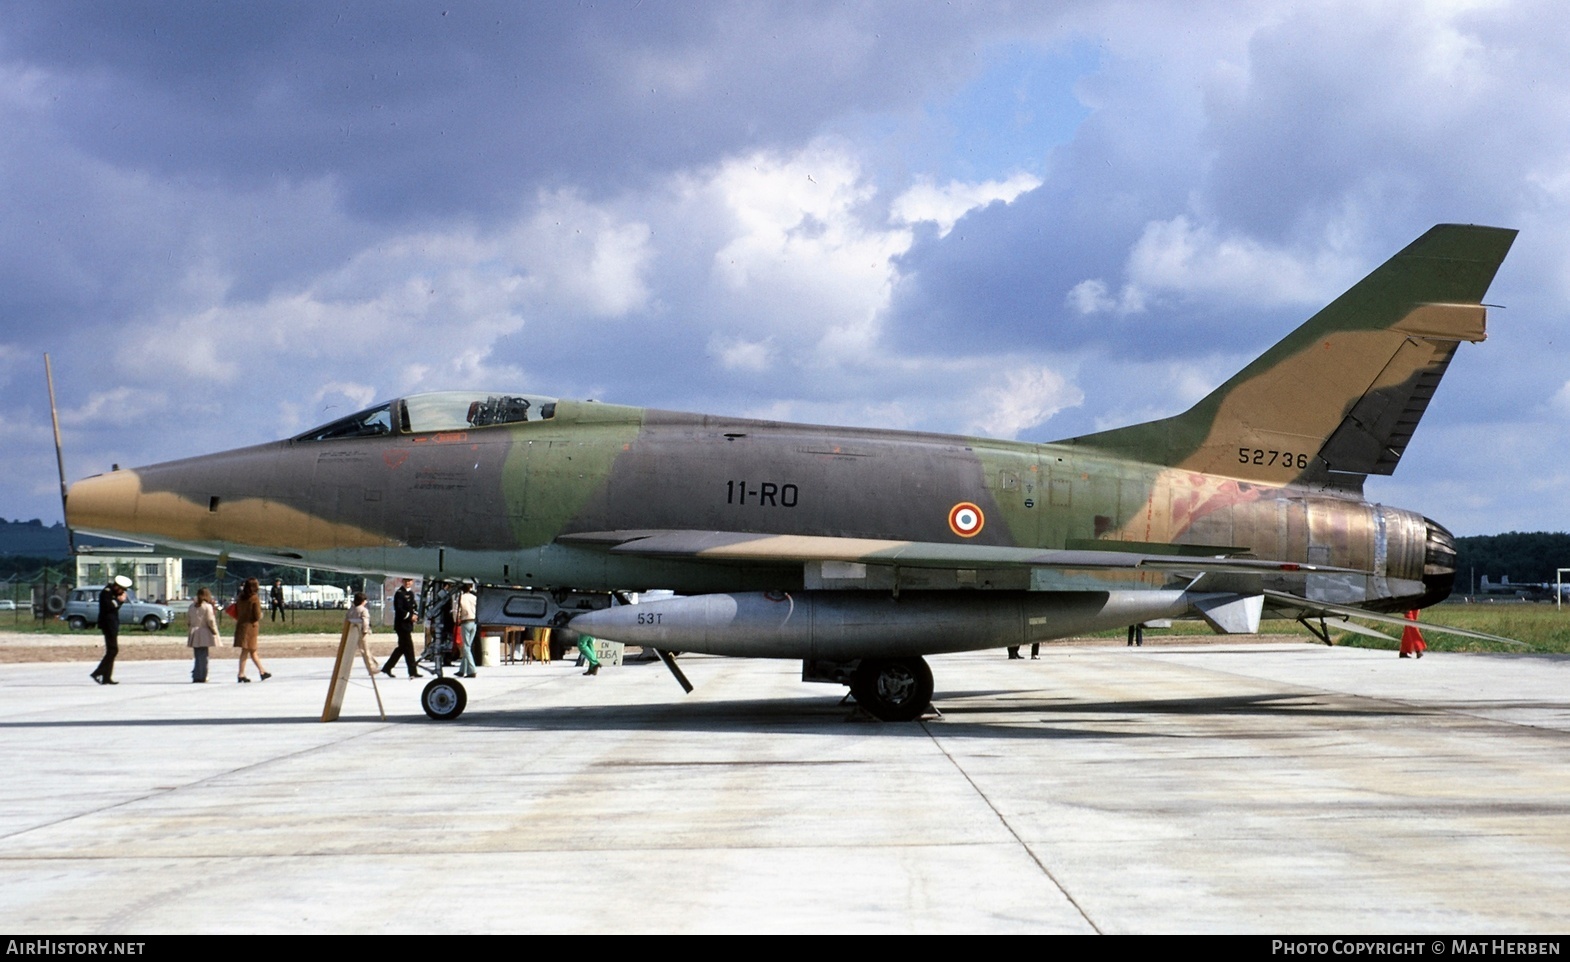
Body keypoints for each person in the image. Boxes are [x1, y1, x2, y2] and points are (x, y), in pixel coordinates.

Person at [90, 575, 131, 685]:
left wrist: (119, 600)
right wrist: (120, 601)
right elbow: (110, 607)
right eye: (121, 589)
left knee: (111, 650)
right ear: (117, 587)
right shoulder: (106, 593)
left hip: (112, 624)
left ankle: (106, 677)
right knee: (113, 650)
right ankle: (98, 672)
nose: (122, 592)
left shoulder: (112, 593)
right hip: (107, 624)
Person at [382, 578, 422, 678]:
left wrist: (415, 615)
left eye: (410, 581)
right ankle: (412, 671)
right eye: (406, 581)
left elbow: (414, 606)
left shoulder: (411, 593)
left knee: (402, 649)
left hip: (408, 625)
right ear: (402, 582)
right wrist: (410, 616)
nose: (408, 583)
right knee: (408, 648)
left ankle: (387, 667)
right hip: (401, 625)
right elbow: (399, 609)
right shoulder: (399, 594)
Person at [233, 577, 269, 682]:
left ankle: (262, 671)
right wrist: (260, 615)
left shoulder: (240, 598)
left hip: (241, 625)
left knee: (252, 651)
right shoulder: (254, 598)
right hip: (251, 627)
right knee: (247, 650)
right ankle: (241, 674)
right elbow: (257, 615)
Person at [187, 587, 219, 683]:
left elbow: (188, 620)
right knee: (204, 656)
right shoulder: (207, 606)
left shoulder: (192, 606)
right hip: (204, 631)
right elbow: (210, 620)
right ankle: (203, 675)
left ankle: (196, 675)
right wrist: (214, 631)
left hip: (194, 631)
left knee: (197, 655)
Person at [346, 591, 378, 676]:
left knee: (349, 652)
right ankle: (371, 668)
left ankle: (345, 669)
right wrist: (365, 631)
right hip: (361, 633)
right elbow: (365, 621)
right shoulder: (363, 610)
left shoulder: (351, 610)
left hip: (351, 633)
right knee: (365, 651)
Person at [452, 582, 478, 678]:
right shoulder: (474, 597)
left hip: (465, 621)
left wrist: (456, 620)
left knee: (466, 647)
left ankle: (472, 670)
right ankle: (462, 669)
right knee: (468, 646)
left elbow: (456, 610)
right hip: (474, 622)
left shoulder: (460, 598)